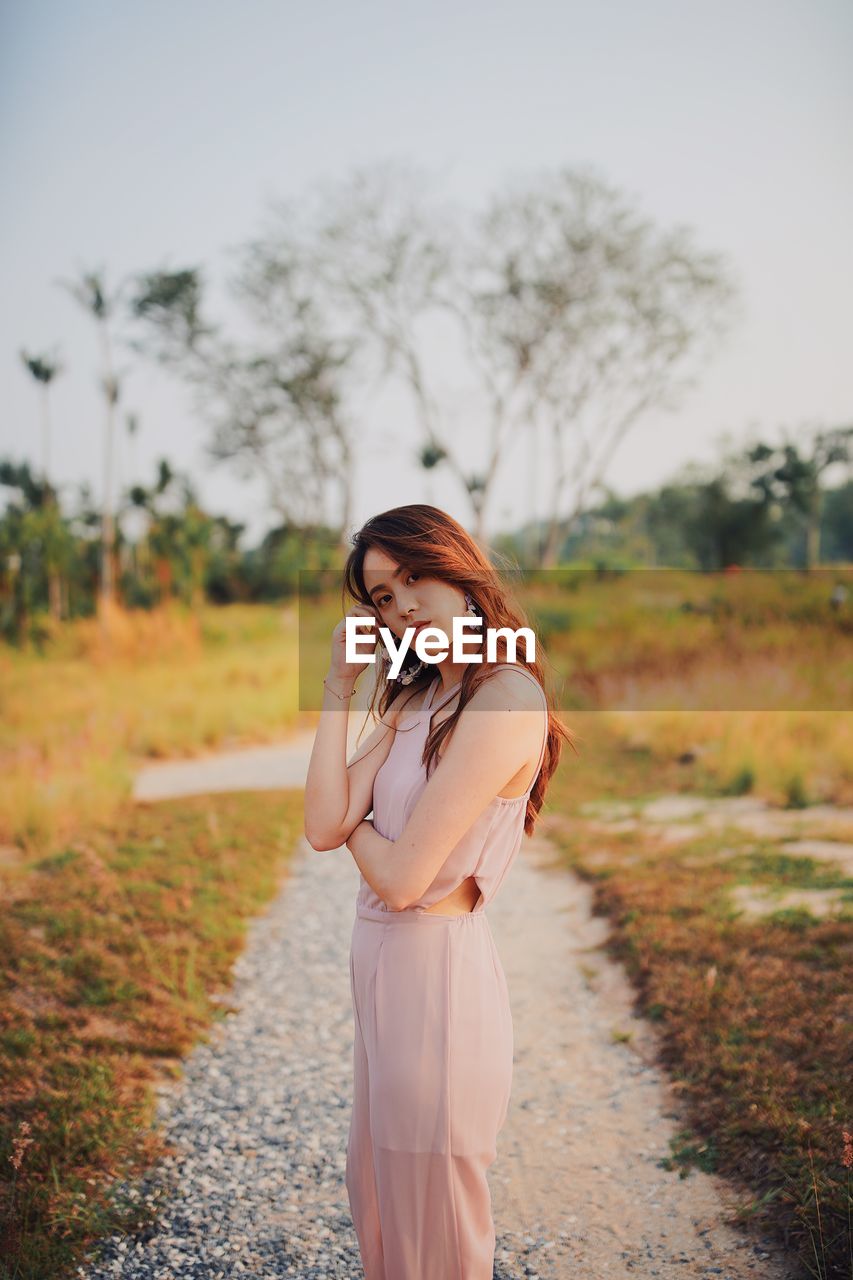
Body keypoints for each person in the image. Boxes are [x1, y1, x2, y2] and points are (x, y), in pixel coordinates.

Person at [304, 504, 577, 1279]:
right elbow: (321, 823)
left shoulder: (504, 697)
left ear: (459, 569)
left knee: (436, 1230)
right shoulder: (412, 699)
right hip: (382, 976)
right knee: (382, 1201)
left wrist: (351, 825)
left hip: (436, 984)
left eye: (414, 578)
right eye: (382, 597)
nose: (403, 607)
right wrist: (337, 686)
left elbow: (396, 880)